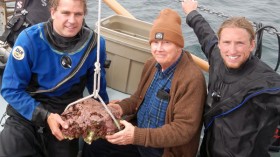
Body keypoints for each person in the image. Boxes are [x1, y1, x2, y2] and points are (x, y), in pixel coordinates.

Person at [82, 8, 207, 157]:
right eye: (155, 42)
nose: (159, 49)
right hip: (138, 137)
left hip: (162, 151)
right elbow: (137, 99)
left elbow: (183, 130)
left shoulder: (192, 78)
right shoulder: (151, 64)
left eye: (166, 42)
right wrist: (118, 109)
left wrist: (136, 136)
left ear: (179, 45)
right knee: (94, 144)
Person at [0, 0, 109, 156]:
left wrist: (107, 111)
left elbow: (98, 90)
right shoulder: (29, 39)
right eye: (65, 13)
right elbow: (10, 89)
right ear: (53, 12)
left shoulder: (94, 44)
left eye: (78, 14)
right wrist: (45, 116)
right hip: (27, 111)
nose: (72, 20)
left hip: (66, 116)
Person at [181, 0, 280, 157]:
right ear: (219, 43)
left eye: (240, 43)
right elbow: (205, 34)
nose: (232, 50)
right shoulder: (217, 57)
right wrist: (191, 13)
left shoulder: (268, 84)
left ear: (252, 44)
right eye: (226, 42)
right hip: (208, 150)